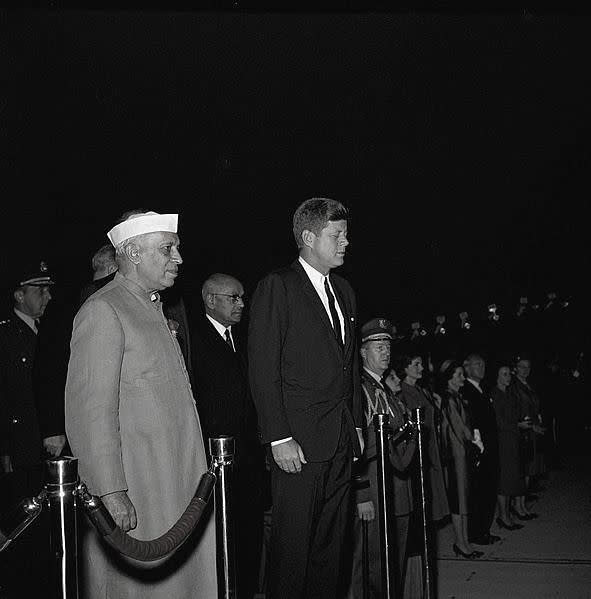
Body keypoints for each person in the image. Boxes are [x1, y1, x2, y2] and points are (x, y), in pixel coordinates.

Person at [65, 210, 216, 599]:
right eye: (168, 249)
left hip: (180, 483)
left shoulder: (153, 307)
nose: (179, 258)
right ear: (132, 252)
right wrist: (109, 491)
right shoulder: (104, 309)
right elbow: (89, 413)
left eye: (177, 248)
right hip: (141, 485)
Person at [248, 197, 364, 599]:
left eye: (346, 234)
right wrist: (279, 437)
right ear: (308, 237)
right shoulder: (278, 286)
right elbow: (263, 369)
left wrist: (357, 425)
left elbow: (348, 369)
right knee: (292, 551)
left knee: (331, 549)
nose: (346, 242)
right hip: (296, 444)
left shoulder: (345, 291)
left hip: (338, 439)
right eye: (338, 235)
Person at [191, 272, 265, 599]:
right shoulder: (192, 340)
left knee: (249, 540)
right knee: (221, 541)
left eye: (242, 297)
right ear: (211, 300)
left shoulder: (245, 337)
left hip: (248, 460)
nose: (241, 304)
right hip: (213, 462)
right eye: (233, 297)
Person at [348, 318, 416, 598]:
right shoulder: (358, 390)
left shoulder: (384, 388)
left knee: (392, 560)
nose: (385, 351)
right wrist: (362, 492)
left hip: (395, 485)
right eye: (377, 345)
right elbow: (356, 446)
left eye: (387, 344)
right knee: (372, 562)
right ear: (363, 351)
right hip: (374, 487)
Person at [0, 261, 54, 597]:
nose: (47, 296)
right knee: (17, 518)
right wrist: (3, 449)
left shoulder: (44, 331)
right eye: (39, 290)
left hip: (43, 444)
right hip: (17, 444)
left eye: (48, 290)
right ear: (19, 295)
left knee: (40, 521)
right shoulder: (5, 335)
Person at [438, 359, 484, 559]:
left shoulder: (457, 396)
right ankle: (460, 542)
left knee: (464, 497)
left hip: (462, 453)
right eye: (458, 375)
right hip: (456, 454)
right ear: (449, 379)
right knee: (459, 499)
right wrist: (474, 439)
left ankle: (464, 540)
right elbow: (459, 427)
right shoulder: (449, 399)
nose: (462, 378)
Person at [462, 353, 501, 546]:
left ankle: (484, 529)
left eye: (484, 364)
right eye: (478, 364)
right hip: (480, 450)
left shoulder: (481, 389)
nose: (482, 368)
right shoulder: (466, 390)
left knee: (488, 491)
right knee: (480, 492)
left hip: (490, 449)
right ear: (467, 368)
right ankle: (477, 532)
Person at [491, 364, 526, 530]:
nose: (508, 377)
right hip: (503, 441)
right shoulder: (495, 394)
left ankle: (508, 513)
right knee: (504, 479)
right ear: (497, 376)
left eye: (508, 374)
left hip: (513, 439)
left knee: (512, 477)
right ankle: (503, 516)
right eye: (504, 374)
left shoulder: (510, 393)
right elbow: (499, 421)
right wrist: (517, 425)